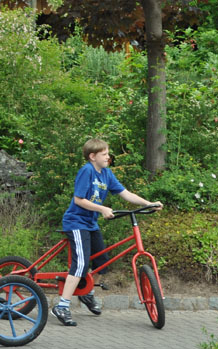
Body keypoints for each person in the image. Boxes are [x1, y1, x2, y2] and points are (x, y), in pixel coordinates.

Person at [52, 138, 162, 327]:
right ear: (92, 156)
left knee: (102, 263)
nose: (108, 157)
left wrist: (148, 203)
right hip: (76, 223)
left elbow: (126, 194)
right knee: (81, 264)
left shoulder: (106, 174)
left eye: (107, 153)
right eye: (104, 154)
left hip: (91, 224)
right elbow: (78, 200)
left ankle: (87, 293)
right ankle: (62, 305)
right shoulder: (87, 171)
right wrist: (102, 209)